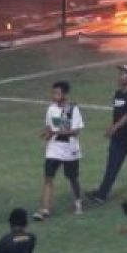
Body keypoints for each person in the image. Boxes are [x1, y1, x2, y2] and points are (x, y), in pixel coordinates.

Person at [87, 64, 127, 205]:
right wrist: (115, 131)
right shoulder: (118, 93)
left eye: (123, 74)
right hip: (119, 140)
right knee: (112, 167)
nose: (119, 76)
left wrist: (114, 128)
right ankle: (102, 194)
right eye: (120, 73)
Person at [35, 81, 84, 220]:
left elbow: (75, 131)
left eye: (57, 93)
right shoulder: (51, 109)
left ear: (64, 94)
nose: (54, 95)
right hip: (53, 149)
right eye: (53, 92)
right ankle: (44, 209)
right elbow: (49, 127)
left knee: (72, 178)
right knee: (48, 178)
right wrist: (46, 133)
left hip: (70, 150)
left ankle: (78, 202)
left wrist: (56, 133)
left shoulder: (72, 109)